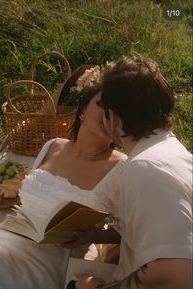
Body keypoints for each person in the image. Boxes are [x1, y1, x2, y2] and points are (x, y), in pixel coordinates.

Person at [0, 75, 127, 289]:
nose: (108, 115)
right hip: (2, 236)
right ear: (82, 111)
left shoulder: (121, 168)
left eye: (118, 111)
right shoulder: (53, 145)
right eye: (102, 104)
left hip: (45, 259)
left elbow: (132, 229)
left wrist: (94, 235)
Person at [74, 56, 192, 289]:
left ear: (114, 118)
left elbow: (177, 274)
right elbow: (165, 237)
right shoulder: (169, 152)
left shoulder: (146, 169)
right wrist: (100, 236)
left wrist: (96, 287)